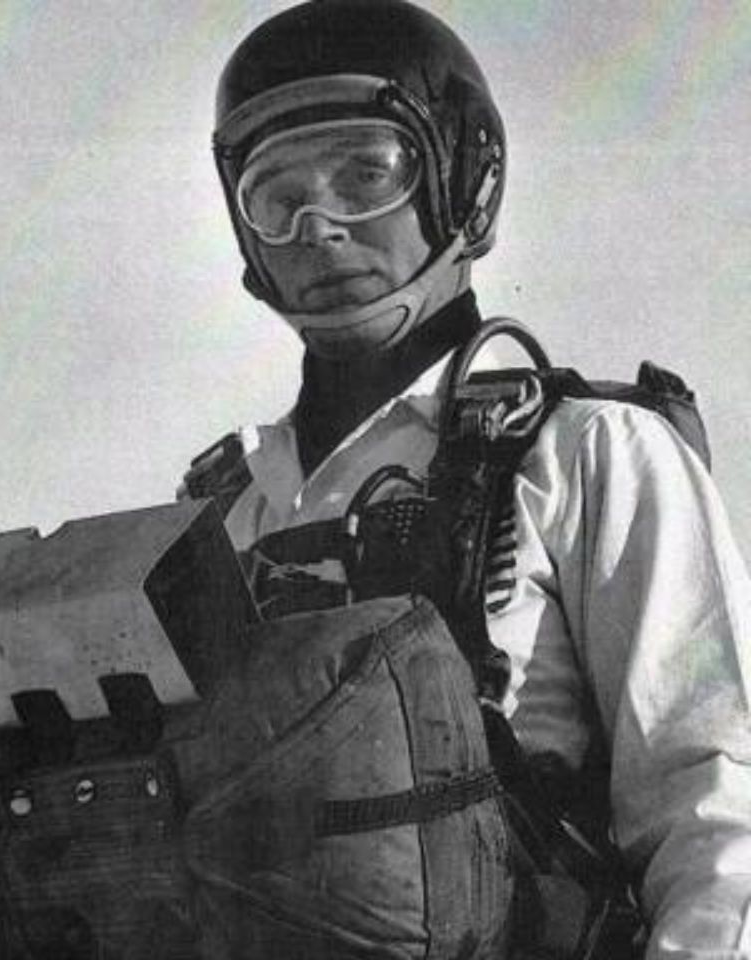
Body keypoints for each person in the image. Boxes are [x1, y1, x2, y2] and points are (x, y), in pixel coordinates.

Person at [184, 0, 751, 956]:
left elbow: (712, 798)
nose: (318, 227)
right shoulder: (221, 509)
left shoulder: (588, 453)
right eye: (276, 195)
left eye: (367, 173)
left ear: (464, 184)